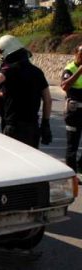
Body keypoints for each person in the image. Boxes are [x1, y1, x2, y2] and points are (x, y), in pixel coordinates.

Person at [0, 35, 52, 149]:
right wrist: (45, 124)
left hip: (14, 127)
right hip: (33, 127)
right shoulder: (38, 72)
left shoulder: (10, 69)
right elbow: (48, 100)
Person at [61, 44, 82, 176]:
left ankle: (80, 166)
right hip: (74, 113)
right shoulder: (69, 69)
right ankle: (71, 175)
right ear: (76, 54)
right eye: (81, 54)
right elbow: (64, 86)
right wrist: (80, 70)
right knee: (72, 146)